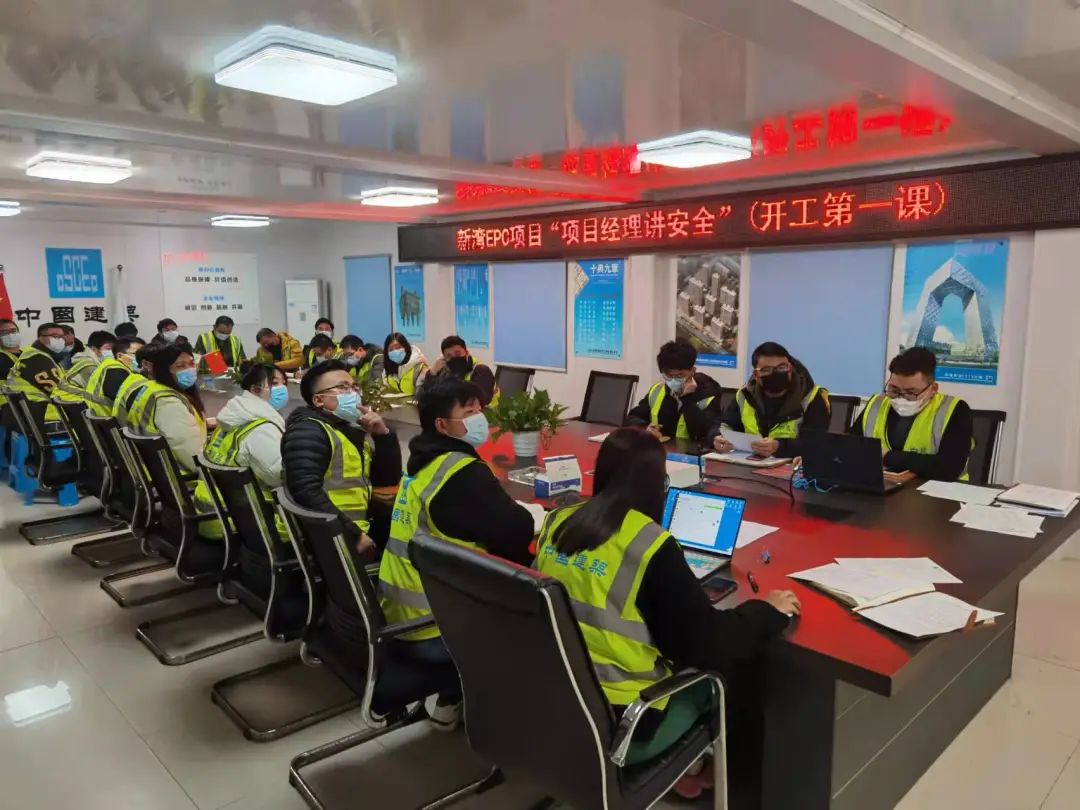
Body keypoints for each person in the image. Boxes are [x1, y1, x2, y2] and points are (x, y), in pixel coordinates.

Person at [534, 427, 798, 799]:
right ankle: (723, 782)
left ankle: (688, 769)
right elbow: (708, 645)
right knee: (737, 669)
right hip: (625, 725)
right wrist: (765, 611)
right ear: (657, 484)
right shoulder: (650, 546)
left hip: (554, 700)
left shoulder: (558, 520)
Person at [378, 375, 536, 730]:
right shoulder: (461, 473)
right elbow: (516, 531)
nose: (480, 417)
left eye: (479, 409)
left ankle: (452, 697)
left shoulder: (423, 460)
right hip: (437, 624)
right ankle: (494, 710)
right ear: (442, 424)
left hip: (401, 612)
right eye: (468, 411)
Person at [281, 358, 402, 551]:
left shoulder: (346, 429)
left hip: (354, 528)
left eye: (354, 387)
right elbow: (305, 491)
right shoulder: (308, 431)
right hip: (333, 540)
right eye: (343, 388)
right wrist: (352, 535)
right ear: (318, 400)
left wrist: (383, 436)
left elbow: (386, 481)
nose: (353, 393)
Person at [194, 365, 289, 539]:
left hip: (215, 515)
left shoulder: (232, 418)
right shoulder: (261, 429)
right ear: (255, 389)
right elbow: (282, 477)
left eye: (284, 383)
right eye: (274, 383)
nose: (282, 389)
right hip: (248, 523)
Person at [852, 347, 974, 481]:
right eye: (894, 390)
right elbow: (850, 447)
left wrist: (887, 456)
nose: (901, 398)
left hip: (938, 490)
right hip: (880, 485)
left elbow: (948, 468)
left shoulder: (954, 409)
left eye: (911, 393)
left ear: (933, 389)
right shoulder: (877, 403)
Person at [709, 341, 830, 459]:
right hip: (749, 463)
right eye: (766, 369)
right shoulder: (745, 395)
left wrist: (779, 446)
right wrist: (717, 437)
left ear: (789, 368)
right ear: (756, 375)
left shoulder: (812, 397)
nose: (775, 373)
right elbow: (723, 424)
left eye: (781, 367)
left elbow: (816, 443)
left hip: (793, 467)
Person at [121, 344, 207, 472]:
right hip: (182, 475)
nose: (190, 370)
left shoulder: (151, 388)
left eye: (191, 363)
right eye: (180, 366)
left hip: (155, 469)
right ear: (164, 370)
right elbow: (192, 458)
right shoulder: (169, 403)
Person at [626, 339, 725, 443]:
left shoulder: (708, 392)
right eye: (669, 376)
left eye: (679, 375)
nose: (673, 381)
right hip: (661, 448)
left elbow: (705, 430)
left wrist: (687, 398)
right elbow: (632, 418)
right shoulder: (657, 390)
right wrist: (646, 428)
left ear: (692, 371)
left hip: (692, 450)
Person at [6, 322, 65, 421]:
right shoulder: (36, 358)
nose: (60, 340)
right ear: (41, 337)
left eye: (62, 337)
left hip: (35, 413)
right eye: (55, 336)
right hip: (40, 416)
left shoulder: (43, 355)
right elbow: (59, 391)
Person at [422, 336, 499, 408]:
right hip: (458, 414)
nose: (454, 358)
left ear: (467, 352)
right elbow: (427, 394)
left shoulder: (481, 371)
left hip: (486, 414)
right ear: (444, 358)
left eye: (458, 353)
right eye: (449, 356)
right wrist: (432, 372)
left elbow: (478, 401)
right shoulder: (445, 371)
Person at [83, 337, 145, 417]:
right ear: (120, 356)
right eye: (137, 354)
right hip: (108, 418)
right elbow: (132, 404)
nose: (142, 359)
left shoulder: (109, 365)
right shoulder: (116, 372)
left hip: (100, 416)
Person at [56, 330, 116, 401]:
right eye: (109, 349)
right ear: (94, 349)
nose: (112, 352)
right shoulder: (89, 366)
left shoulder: (94, 360)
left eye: (114, 349)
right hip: (72, 402)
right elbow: (107, 391)